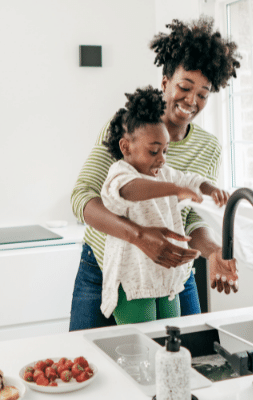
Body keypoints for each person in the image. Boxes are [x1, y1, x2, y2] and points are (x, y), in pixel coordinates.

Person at [70, 16, 241, 331]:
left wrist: (211, 250)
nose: (191, 101)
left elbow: (189, 217)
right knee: (95, 369)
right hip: (108, 267)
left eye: (202, 94)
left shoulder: (208, 147)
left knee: (186, 363)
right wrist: (138, 237)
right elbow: (82, 197)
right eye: (185, 87)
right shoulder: (127, 128)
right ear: (165, 82)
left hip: (173, 271)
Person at [100, 86, 231, 324]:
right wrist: (175, 190)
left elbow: (190, 179)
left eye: (165, 150)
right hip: (134, 281)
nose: (161, 158)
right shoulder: (120, 173)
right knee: (143, 349)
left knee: (171, 340)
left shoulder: (164, 172)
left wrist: (211, 190)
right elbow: (130, 189)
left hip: (167, 278)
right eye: (153, 151)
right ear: (126, 147)